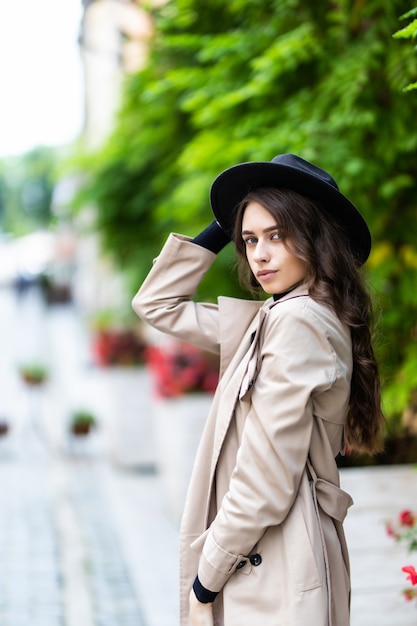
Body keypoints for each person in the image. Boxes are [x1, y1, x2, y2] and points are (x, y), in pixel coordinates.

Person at [132, 154, 384, 626]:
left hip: (273, 560)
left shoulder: (298, 323)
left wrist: (209, 573)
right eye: (248, 239)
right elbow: (157, 303)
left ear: (316, 237)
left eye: (277, 235)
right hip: (272, 554)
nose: (259, 255)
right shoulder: (274, 318)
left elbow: (267, 471)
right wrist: (224, 221)